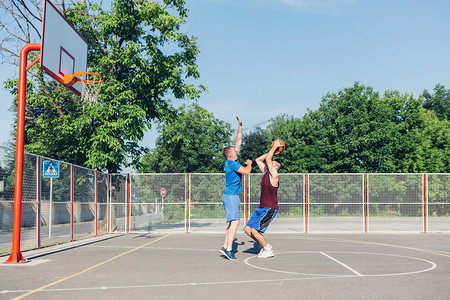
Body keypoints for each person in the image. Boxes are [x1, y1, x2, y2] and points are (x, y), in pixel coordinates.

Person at [219, 116, 252, 261]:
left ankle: (225, 246)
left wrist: (239, 127)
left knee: (232, 222)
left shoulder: (231, 160)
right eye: (235, 151)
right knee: (236, 222)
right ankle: (228, 249)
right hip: (231, 196)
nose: (237, 150)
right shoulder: (232, 164)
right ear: (231, 155)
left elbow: (238, 142)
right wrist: (249, 163)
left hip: (230, 196)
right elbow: (246, 171)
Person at [244, 140, 282, 259]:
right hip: (262, 207)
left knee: (255, 230)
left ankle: (267, 248)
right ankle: (264, 246)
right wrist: (273, 151)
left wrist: (274, 148)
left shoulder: (274, 175)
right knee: (247, 229)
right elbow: (258, 160)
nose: (270, 163)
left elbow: (267, 160)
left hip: (269, 208)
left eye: (272, 163)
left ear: (275, 168)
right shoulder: (266, 173)